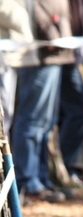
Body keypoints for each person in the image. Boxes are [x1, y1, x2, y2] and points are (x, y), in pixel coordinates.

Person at [11, 0, 75, 203]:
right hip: (40, 54)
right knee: (32, 121)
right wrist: (51, 36)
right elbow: (33, 7)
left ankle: (40, 178)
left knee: (46, 123)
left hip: (54, 54)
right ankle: (27, 181)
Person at [57, 0, 83, 184]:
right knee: (82, 109)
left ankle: (61, 168)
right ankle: (60, 168)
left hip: (69, 55)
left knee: (79, 110)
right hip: (60, 53)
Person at [0, 0, 36, 137]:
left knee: (6, 116)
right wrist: (23, 15)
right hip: (4, 54)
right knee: (4, 116)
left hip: (11, 55)